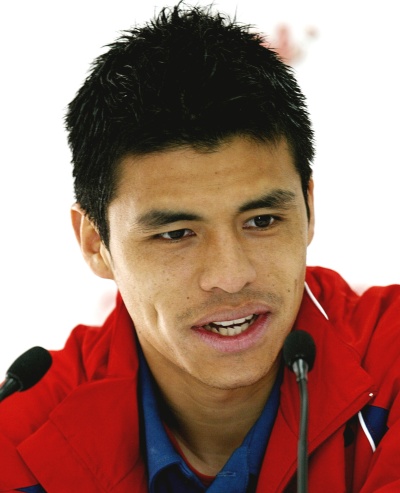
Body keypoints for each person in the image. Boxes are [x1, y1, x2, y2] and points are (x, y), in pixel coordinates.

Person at [1, 3, 399, 492]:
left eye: (262, 221)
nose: (230, 276)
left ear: (309, 209)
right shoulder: (16, 436)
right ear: (95, 243)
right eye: (176, 234)